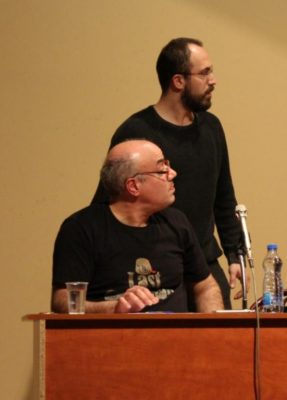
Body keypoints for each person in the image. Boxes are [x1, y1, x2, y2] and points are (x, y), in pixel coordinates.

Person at [92, 37, 248, 309]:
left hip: (203, 260)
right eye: (204, 73)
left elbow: (224, 195)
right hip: (155, 265)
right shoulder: (136, 131)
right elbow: (109, 203)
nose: (213, 81)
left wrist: (235, 255)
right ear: (178, 81)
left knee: (223, 330)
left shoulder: (211, 127)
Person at [52, 139, 224, 313]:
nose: (173, 174)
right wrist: (116, 308)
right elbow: (63, 301)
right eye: (162, 170)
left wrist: (214, 326)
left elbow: (205, 286)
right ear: (133, 186)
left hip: (174, 329)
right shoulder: (81, 228)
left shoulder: (176, 222)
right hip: (113, 330)